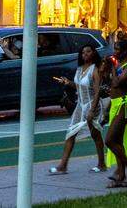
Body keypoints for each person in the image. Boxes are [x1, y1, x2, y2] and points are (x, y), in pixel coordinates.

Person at [50, 45, 105, 175]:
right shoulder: (80, 69)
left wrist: (92, 110)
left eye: (88, 51)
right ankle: (63, 165)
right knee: (71, 132)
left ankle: (101, 163)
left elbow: (97, 92)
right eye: (83, 52)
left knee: (95, 134)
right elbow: (79, 86)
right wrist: (68, 83)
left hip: (92, 105)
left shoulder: (95, 70)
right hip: (80, 105)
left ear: (93, 53)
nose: (85, 54)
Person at [104, 37, 127, 188]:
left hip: (124, 104)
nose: (115, 51)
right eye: (115, 49)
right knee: (116, 141)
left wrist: (112, 67)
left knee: (109, 140)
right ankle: (121, 177)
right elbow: (111, 85)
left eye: (117, 49)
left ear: (125, 51)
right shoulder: (119, 65)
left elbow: (118, 83)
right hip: (116, 104)